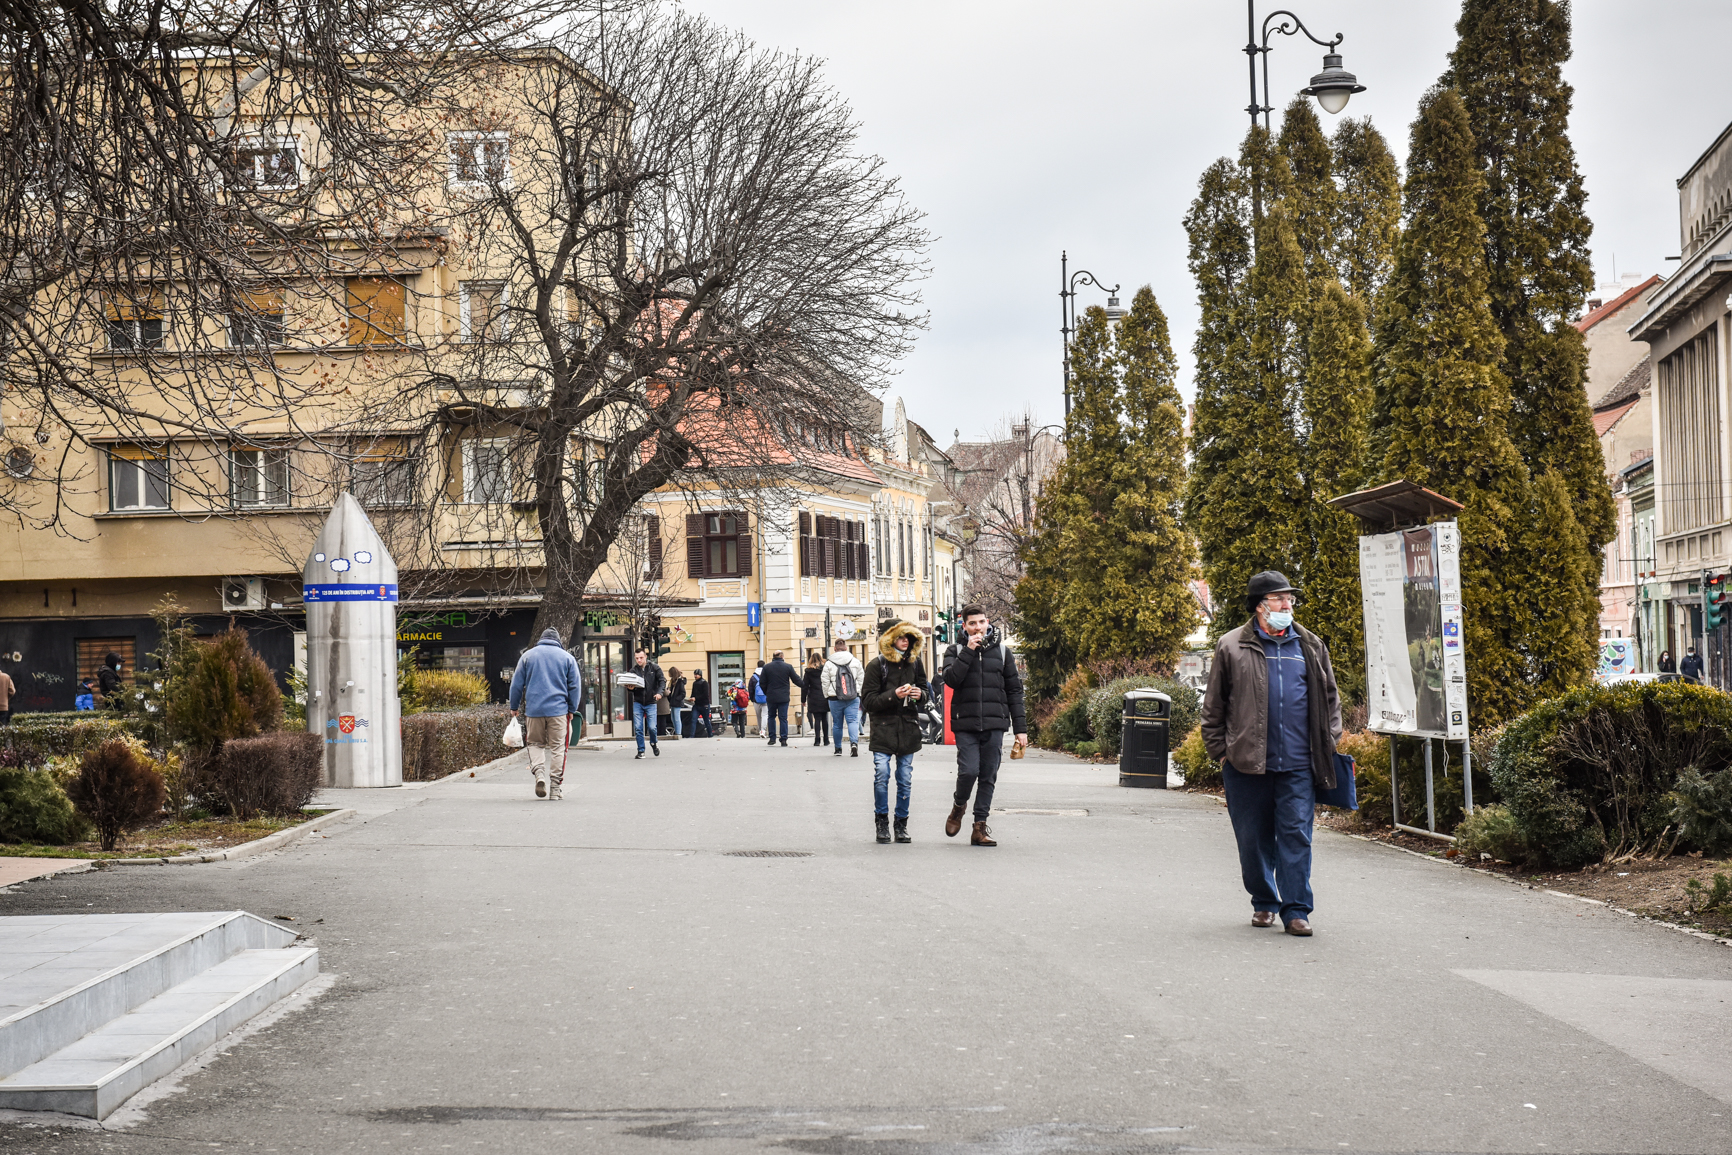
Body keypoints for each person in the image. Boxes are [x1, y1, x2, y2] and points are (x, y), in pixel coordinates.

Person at [1199, 570, 1343, 938]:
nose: (1287, 605)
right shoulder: (1231, 646)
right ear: (1260, 606)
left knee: (1296, 835)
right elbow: (1214, 705)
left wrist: (1328, 743)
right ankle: (1264, 901)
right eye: (1280, 599)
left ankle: (1296, 911)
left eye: (1289, 599)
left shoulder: (1310, 645)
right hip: (1246, 763)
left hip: (1299, 763)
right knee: (1252, 838)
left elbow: (1330, 701)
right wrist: (1221, 752)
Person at [941, 604, 1028, 848]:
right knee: (969, 771)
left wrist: (1020, 729)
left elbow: (1014, 691)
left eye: (981, 622)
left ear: (987, 622)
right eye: (972, 624)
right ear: (964, 626)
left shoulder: (1002, 652)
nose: (978, 628)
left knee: (988, 775)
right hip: (965, 723)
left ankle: (979, 827)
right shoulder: (955, 649)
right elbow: (951, 680)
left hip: (994, 722)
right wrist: (968, 651)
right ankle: (959, 807)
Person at [863, 620, 930, 845]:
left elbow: (926, 693)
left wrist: (919, 695)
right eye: (901, 637)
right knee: (882, 775)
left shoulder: (916, 663)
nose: (905, 641)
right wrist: (895, 694)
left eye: (909, 638)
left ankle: (901, 824)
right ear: (891, 640)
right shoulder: (876, 665)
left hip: (908, 729)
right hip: (883, 729)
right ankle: (881, 821)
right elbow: (868, 701)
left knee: (905, 778)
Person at [507, 628, 583, 800]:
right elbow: (575, 686)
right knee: (558, 748)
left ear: (541, 639)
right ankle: (555, 788)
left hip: (534, 711)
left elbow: (516, 684)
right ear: (558, 641)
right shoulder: (567, 658)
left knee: (534, 744)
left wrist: (514, 706)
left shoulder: (527, 656)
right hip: (558, 712)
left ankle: (539, 774)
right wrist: (571, 709)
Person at [821, 639, 866, 758]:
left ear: (834, 649)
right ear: (846, 648)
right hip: (852, 696)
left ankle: (838, 748)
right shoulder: (855, 661)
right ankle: (854, 744)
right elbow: (861, 678)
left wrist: (827, 694)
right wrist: (858, 692)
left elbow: (825, 681)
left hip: (834, 697)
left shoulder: (829, 663)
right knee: (852, 721)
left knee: (837, 724)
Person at [627, 649, 666, 760]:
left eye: (641, 657)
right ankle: (641, 750)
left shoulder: (654, 668)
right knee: (638, 728)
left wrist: (659, 693)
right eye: (637, 658)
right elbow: (630, 687)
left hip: (651, 702)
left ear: (645, 656)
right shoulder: (633, 671)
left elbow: (662, 681)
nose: (639, 660)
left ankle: (653, 743)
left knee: (652, 727)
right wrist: (630, 688)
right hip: (638, 702)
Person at [757, 650, 799, 748]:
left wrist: (767, 692)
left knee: (771, 716)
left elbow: (762, 682)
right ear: (781, 656)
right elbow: (796, 679)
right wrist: (806, 686)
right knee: (783, 718)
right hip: (784, 697)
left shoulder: (767, 667)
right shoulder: (788, 667)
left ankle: (772, 738)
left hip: (771, 696)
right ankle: (783, 739)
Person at [802, 653, 829, 751]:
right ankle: (826, 739)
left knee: (817, 719)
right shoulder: (825, 669)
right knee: (824, 718)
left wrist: (803, 699)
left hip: (813, 696)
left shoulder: (808, 671)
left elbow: (805, 686)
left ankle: (817, 740)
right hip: (824, 696)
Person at [665, 667, 685, 740]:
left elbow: (683, 693)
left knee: (676, 718)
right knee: (673, 718)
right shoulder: (673, 681)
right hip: (673, 702)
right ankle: (677, 732)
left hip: (676, 703)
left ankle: (678, 733)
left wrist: (676, 699)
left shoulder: (679, 682)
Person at [690, 669, 711, 738]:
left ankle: (710, 734)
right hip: (696, 705)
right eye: (694, 674)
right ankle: (692, 735)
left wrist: (696, 698)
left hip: (704, 705)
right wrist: (691, 698)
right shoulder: (694, 683)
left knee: (706, 720)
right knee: (693, 720)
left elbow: (705, 695)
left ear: (700, 675)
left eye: (696, 674)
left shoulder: (704, 683)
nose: (695, 676)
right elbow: (693, 693)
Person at [748, 660, 766, 736]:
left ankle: (760, 730)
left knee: (758, 716)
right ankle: (763, 730)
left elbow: (750, 689)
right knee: (765, 715)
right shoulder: (766, 675)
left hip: (756, 700)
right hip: (766, 699)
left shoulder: (753, 677)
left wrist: (752, 699)